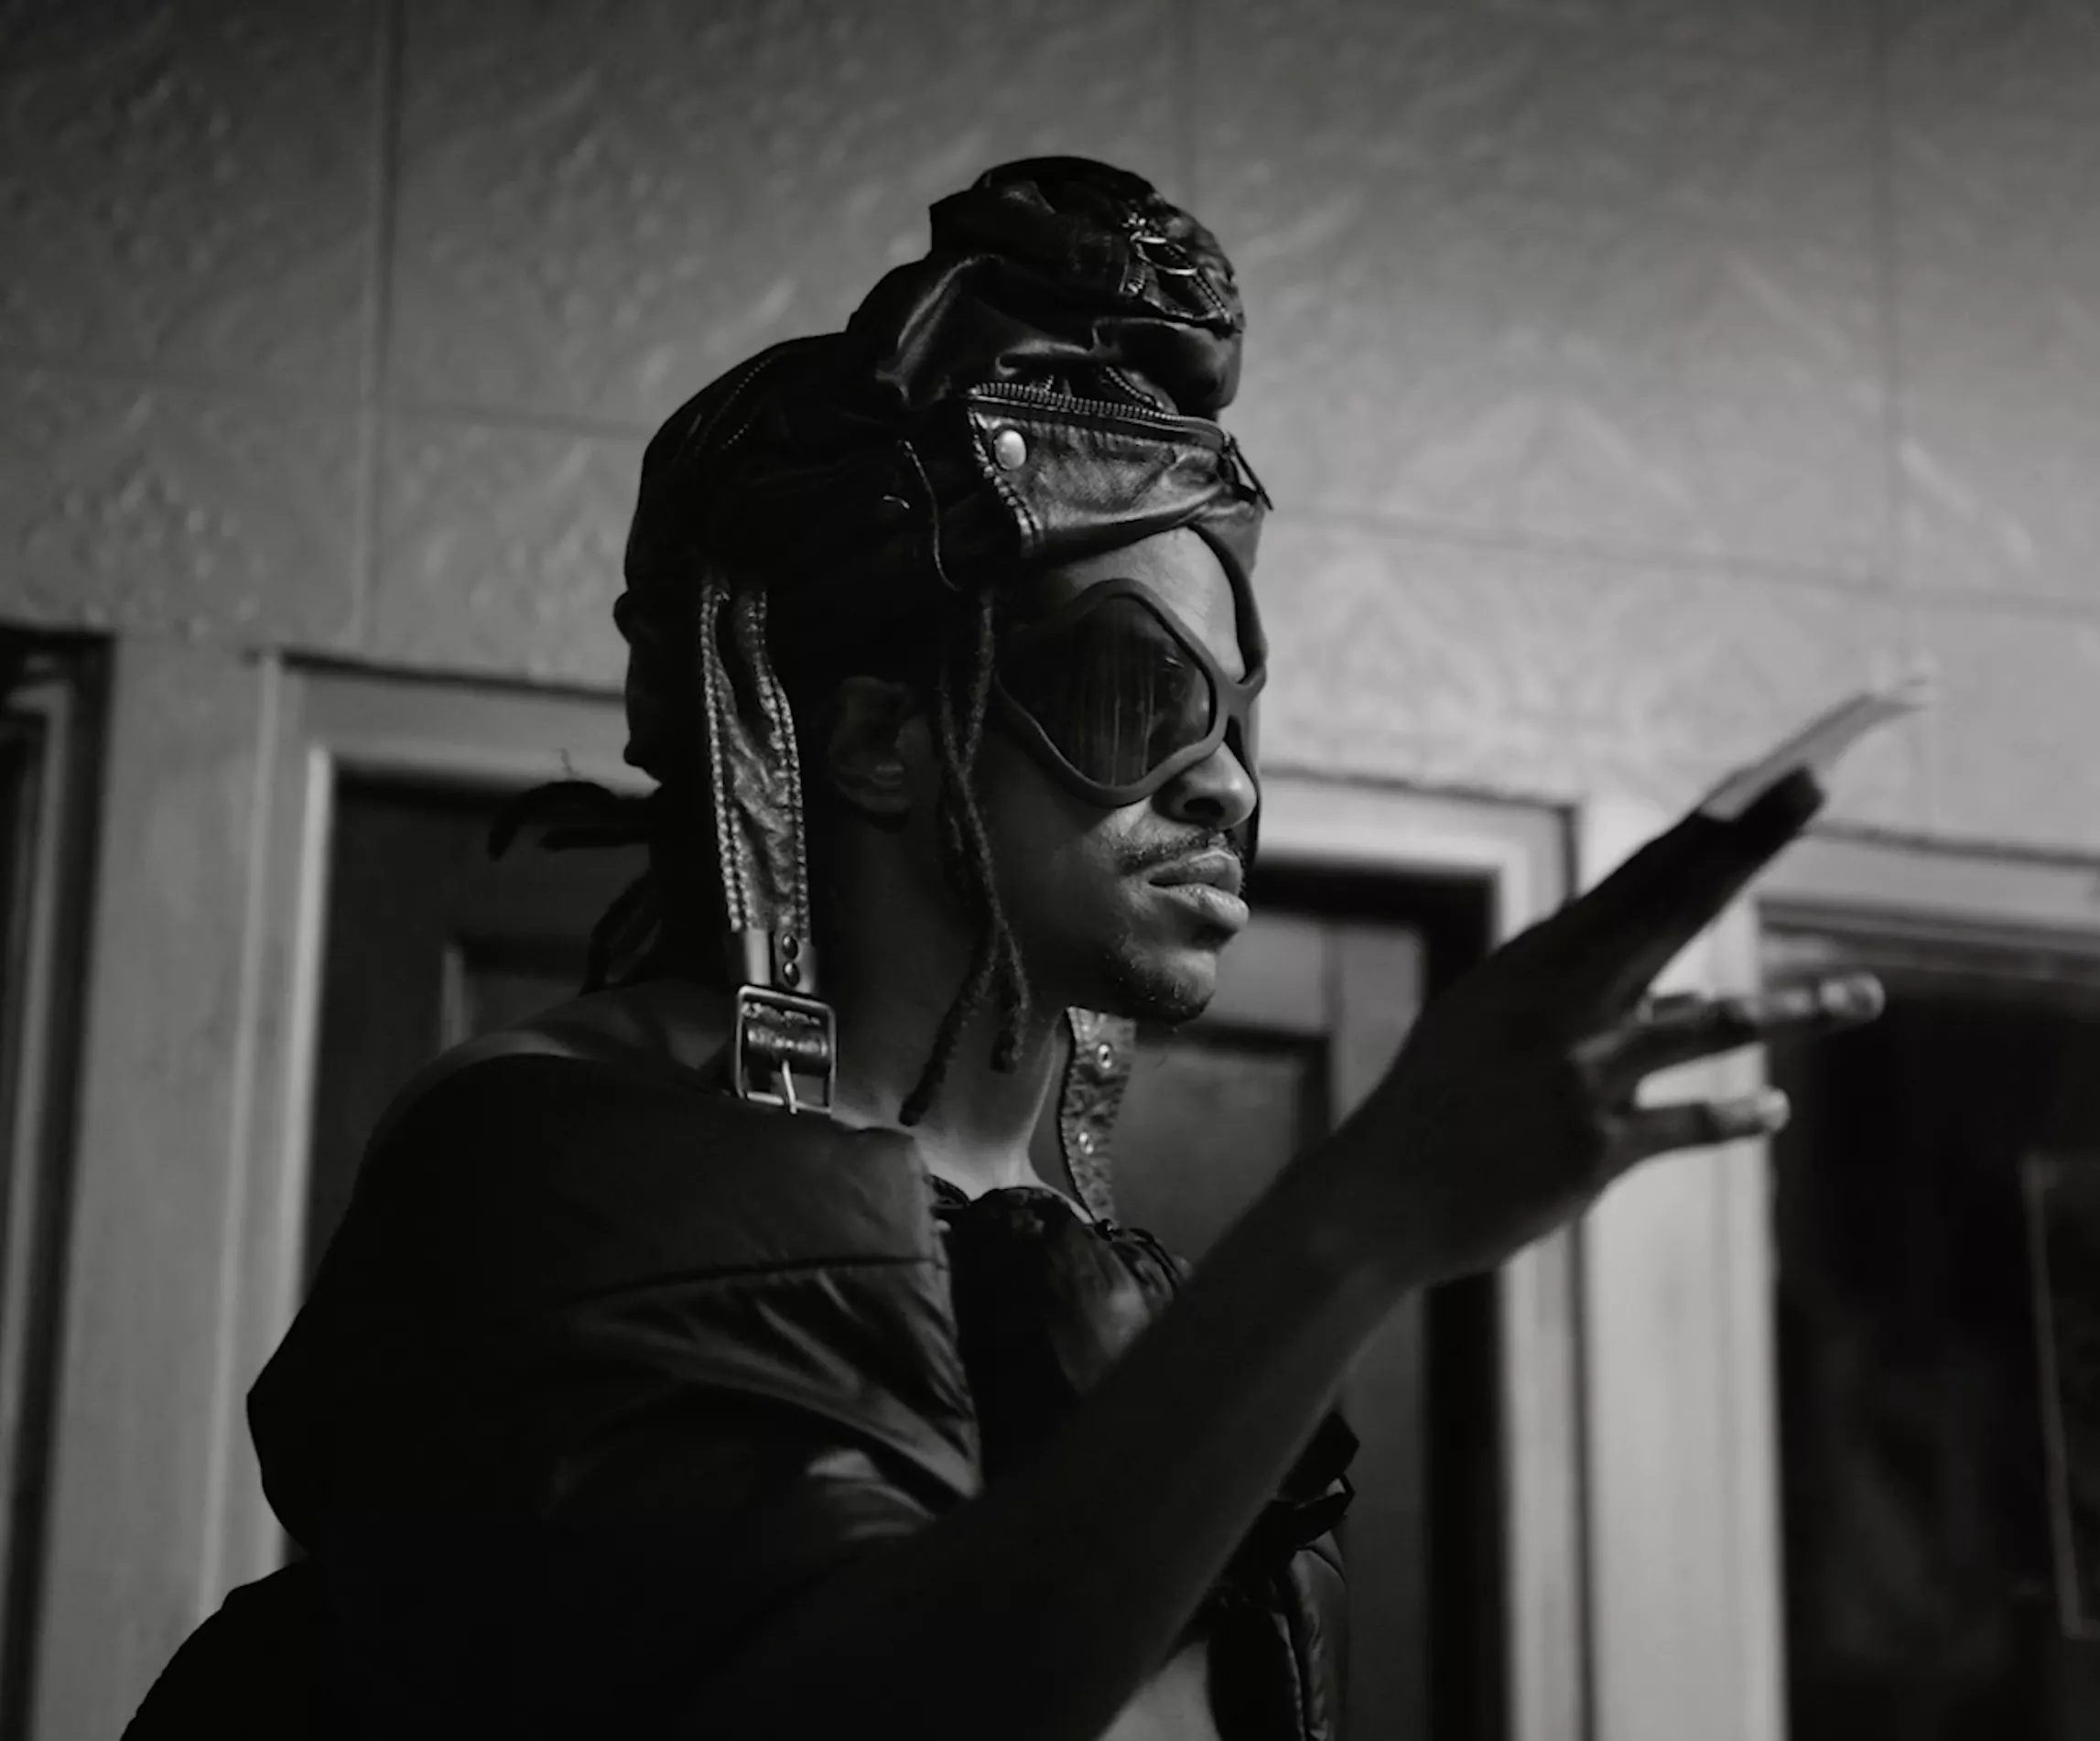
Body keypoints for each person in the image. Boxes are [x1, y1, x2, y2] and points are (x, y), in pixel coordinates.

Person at [125, 157, 1882, 1741]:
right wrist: (1363, 1219)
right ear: (880, 739)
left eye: (1238, 716)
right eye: (1139, 695)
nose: (1225, 785)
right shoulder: (552, 1154)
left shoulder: (1096, 1277)